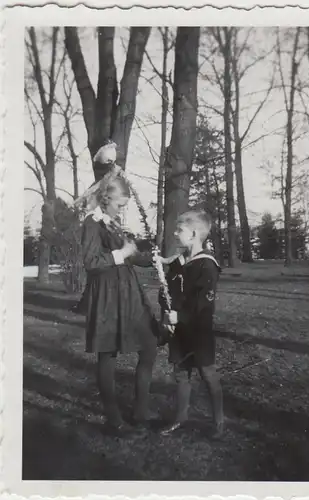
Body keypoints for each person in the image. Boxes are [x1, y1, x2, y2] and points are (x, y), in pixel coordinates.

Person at [80, 157, 159, 437]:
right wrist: (122, 254)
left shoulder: (112, 223)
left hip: (128, 291)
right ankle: (114, 420)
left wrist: (151, 259)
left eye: (125, 205)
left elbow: (130, 255)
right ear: (105, 199)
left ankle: (140, 411)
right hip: (107, 295)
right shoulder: (92, 222)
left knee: (149, 346)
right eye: (120, 204)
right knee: (108, 353)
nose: (122, 209)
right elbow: (91, 262)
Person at [156, 209, 225, 437]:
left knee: (207, 373)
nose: (175, 234)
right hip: (179, 331)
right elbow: (167, 292)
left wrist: (181, 316)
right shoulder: (179, 262)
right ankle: (181, 417)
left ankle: (218, 422)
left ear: (194, 233)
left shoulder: (207, 265)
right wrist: (167, 312)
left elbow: (203, 303)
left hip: (199, 332)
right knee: (181, 373)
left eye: (180, 230)